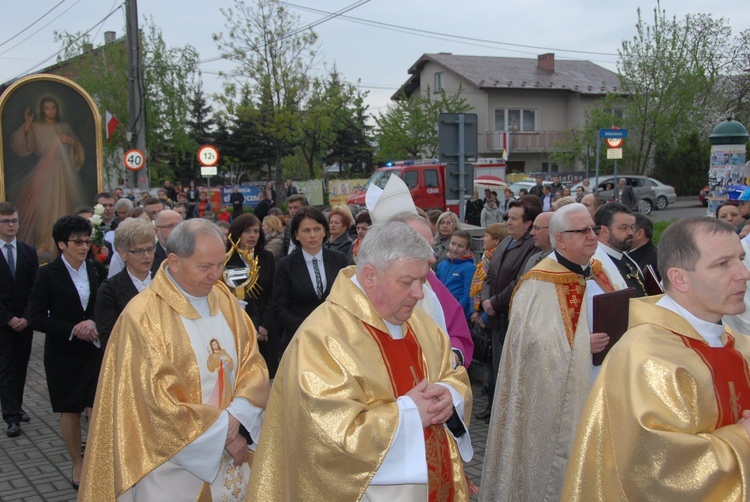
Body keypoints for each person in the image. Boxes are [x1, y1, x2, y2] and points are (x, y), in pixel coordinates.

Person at [248, 222, 473, 500]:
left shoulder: (420, 322)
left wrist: (450, 396)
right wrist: (409, 414)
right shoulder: (321, 338)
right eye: (407, 282)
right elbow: (324, 436)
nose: (419, 293)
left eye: (423, 279)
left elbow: (453, 374)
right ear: (369, 276)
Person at [79, 219, 269, 500]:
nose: (215, 275)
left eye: (220, 265)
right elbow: (152, 404)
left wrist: (236, 417)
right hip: (169, 467)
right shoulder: (142, 317)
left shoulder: (225, 301)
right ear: (174, 261)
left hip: (232, 454)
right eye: (205, 267)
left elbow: (252, 364)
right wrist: (225, 434)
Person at [563, 217, 750, 500]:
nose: (744, 273)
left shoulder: (736, 344)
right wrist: (743, 438)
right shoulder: (645, 357)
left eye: (741, 259)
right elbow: (654, 473)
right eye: (723, 264)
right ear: (679, 278)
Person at [479, 203, 616, 501]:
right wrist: (581, 344)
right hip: (557, 399)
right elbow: (530, 345)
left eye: (592, 229)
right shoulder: (538, 282)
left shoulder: (600, 272)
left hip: (602, 383)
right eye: (583, 231)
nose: (592, 236)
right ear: (561, 239)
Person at [29, 215, 106, 489]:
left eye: (87, 241)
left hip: (94, 351)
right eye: (77, 242)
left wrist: (94, 323)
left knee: (96, 407)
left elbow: (104, 306)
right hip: (63, 352)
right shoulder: (47, 274)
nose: (84, 246)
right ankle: (78, 464)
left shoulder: (97, 269)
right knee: (69, 409)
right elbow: (35, 316)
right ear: (62, 244)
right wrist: (73, 329)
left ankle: (100, 460)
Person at [477, 198, 540, 421]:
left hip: (508, 317)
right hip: (494, 317)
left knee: (508, 371)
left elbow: (519, 281)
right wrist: (485, 299)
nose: (508, 222)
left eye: (514, 218)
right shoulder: (505, 243)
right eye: (508, 217)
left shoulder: (532, 248)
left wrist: (494, 302)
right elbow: (489, 276)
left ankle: (504, 416)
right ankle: (492, 408)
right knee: (494, 368)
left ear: (528, 223)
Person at [9, 96, 87, 255]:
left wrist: (71, 142)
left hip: (63, 173)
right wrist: (27, 125)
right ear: (42, 110)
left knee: (61, 205)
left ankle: (61, 242)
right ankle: (44, 242)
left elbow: (77, 150)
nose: (50, 111)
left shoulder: (64, 126)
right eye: (47, 108)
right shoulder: (36, 127)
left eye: (53, 108)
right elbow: (22, 145)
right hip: (44, 171)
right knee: (45, 207)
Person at [272, 206, 348, 352]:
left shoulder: (339, 260)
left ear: (325, 231)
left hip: (335, 337)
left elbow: (346, 298)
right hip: (299, 339)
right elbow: (280, 307)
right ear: (297, 234)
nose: (312, 235)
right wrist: (309, 328)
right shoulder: (286, 265)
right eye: (306, 230)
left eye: (317, 229)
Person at [0, 203, 39, 438]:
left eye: (14, 220)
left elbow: (34, 287)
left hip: (24, 321)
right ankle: (11, 417)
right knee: (6, 368)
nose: (11, 225)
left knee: (22, 364)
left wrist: (26, 316)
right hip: (2, 322)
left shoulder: (27, 251)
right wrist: (8, 318)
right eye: (6, 221)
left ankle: (18, 405)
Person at [226, 214, 278, 377]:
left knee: (267, 374)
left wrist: (264, 325)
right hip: (239, 325)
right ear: (237, 234)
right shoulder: (227, 261)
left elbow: (272, 292)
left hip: (266, 325)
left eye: (256, 231)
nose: (252, 236)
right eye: (247, 231)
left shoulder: (266, 258)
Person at [95, 219, 155, 349]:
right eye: (139, 251)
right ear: (123, 254)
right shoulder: (109, 289)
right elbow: (109, 337)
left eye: (150, 249)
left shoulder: (163, 282)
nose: (147, 256)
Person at [593, 202, 646, 296]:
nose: (630, 232)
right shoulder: (595, 265)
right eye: (623, 228)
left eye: (632, 227)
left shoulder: (622, 256)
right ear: (605, 231)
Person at [436, 229, 476, 321]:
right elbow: (436, 288)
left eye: (460, 246)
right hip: (440, 312)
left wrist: (455, 311)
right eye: (453, 244)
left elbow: (468, 295)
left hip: (457, 315)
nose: (455, 248)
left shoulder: (469, 268)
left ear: (467, 249)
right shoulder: (442, 265)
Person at [627, 212, 659, 280]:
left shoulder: (656, 261)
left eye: (630, 228)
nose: (626, 232)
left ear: (639, 233)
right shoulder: (626, 253)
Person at [152, 210, 182, 274]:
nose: (176, 230)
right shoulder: (151, 257)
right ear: (156, 231)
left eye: (180, 226)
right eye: (170, 226)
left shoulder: (192, 253)